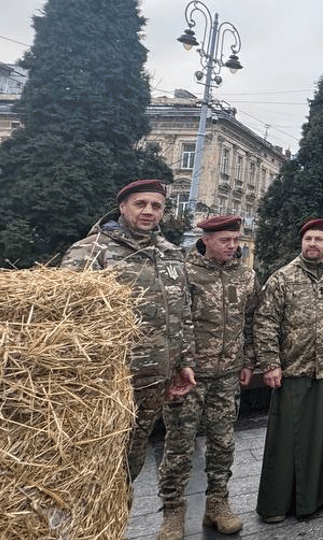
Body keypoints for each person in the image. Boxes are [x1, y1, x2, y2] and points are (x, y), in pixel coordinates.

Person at [60, 179, 195, 488]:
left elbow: (182, 312)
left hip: (155, 382)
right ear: (122, 207)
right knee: (95, 467)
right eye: (140, 204)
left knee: (131, 464)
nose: (149, 211)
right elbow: (66, 318)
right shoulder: (92, 250)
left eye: (156, 206)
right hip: (108, 383)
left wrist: (183, 361)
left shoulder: (170, 253)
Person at [253, 218, 323, 523]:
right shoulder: (282, 278)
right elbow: (265, 322)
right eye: (307, 239)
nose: (312, 244)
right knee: (289, 438)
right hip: (295, 369)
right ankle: (278, 504)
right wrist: (270, 363)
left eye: (318, 239)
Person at [156, 215, 258, 538]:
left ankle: (217, 504)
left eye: (235, 240)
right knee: (178, 446)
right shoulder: (184, 273)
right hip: (190, 375)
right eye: (225, 241)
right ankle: (172, 511)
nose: (233, 246)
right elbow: (171, 322)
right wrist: (175, 366)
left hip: (228, 374)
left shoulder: (246, 275)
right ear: (207, 240)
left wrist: (248, 359)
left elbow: (253, 319)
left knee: (223, 443)